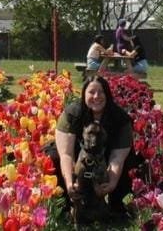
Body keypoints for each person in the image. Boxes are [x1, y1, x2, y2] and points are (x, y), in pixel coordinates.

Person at [48, 76, 142, 220]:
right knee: (53, 159)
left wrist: (111, 183)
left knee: (130, 162)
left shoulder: (120, 118)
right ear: (84, 94)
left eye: (101, 92)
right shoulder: (72, 114)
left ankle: (115, 204)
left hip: (107, 155)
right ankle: (68, 203)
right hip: (77, 153)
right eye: (91, 92)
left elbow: (117, 158)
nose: (96, 96)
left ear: (107, 94)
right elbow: (66, 154)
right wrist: (69, 183)